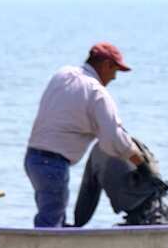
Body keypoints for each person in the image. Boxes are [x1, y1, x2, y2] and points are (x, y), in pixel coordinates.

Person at [23, 42, 145, 228]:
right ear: (105, 65)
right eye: (115, 71)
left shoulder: (63, 74)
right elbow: (114, 139)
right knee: (50, 222)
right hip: (53, 164)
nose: (114, 78)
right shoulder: (97, 92)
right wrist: (141, 165)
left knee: (54, 215)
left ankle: (54, 247)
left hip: (33, 159)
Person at [73, 139, 168, 227]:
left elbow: (87, 194)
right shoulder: (103, 151)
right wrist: (78, 224)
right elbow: (88, 194)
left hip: (154, 205)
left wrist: (77, 224)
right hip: (139, 211)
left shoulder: (106, 150)